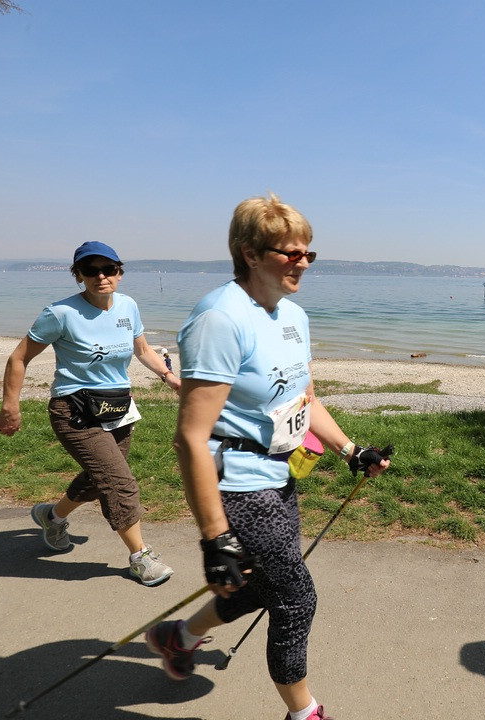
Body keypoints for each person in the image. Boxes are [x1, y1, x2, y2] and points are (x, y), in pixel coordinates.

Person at [145, 193, 391, 720]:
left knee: (263, 585)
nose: (301, 262)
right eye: (287, 253)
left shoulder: (293, 315)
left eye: (307, 254)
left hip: (280, 473)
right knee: (297, 597)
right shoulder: (220, 319)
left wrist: (351, 449)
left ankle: (179, 637)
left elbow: (303, 399)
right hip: (236, 483)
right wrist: (216, 538)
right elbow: (190, 437)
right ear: (249, 253)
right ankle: (305, 713)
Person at [0, 241, 181, 587]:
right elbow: (19, 357)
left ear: (119, 273)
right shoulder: (60, 313)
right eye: (90, 270)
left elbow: (141, 349)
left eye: (108, 269)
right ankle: (140, 556)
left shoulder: (128, 306)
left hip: (118, 407)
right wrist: (10, 404)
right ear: (78, 275)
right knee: (118, 482)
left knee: (101, 478)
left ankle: (53, 516)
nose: (100, 276)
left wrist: (170, 377)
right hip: (73, 409)